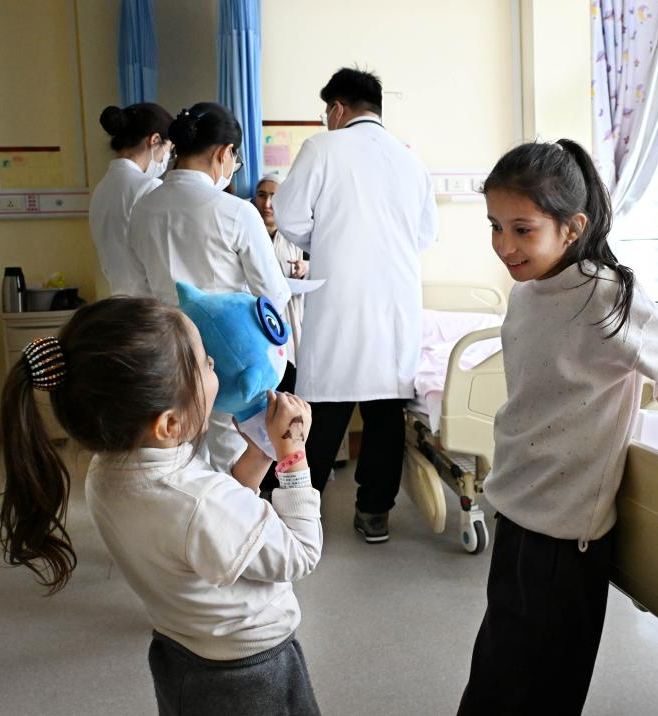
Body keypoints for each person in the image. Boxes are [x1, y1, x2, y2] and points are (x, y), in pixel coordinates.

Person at [456, 139, 658, 715]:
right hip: (515, 511)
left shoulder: (606, 298)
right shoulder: (526, 293)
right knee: (494, 676)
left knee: (538, 692)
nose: (504, 246)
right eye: (495, 227)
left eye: (522, 229)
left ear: (572, 228)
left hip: (565, 540)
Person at [0, 297, 321, 716]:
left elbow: (211, 530)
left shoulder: (107, 473)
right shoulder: (198, 501)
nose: (214, 366)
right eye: (204, 363)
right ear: (168, 423)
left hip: (181, 652)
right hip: (250, 670)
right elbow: (301, 552)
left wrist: (259, 455)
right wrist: (293, 453)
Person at [273, 67, 437, 543]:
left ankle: (302, 511)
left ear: (338, 108)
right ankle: (374, 513)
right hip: (396, 302)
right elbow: (425, 235)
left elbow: (288, 216)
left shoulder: (323, 148)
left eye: (327, 111)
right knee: (386, 410)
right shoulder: (411, 161)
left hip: (340, 300)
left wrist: (324, 242)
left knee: (324, 407)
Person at [128, 102, 291, 473]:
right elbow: (273, 295)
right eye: (235, 158)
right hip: (228, 358)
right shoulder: (235, 212)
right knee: (231, 459)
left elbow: (139, 290)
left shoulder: (143, 210)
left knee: (178, 457)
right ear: (223, 153)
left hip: (168, 352)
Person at [88, 103, 174, 295]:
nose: (167, 158)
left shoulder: (102, 188)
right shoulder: (149, 187)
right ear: (155, 140)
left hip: (119, 297)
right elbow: (163, 259)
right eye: (169, 150)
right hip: (149, 301)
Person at [252, 172, 308, 390]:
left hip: (290, 320)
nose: (267, 203)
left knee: (289, 383)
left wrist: (305, 267)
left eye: (274, 196)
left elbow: (319, 267)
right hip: (255, 318)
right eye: (261, 195)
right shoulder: (248, 232)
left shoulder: (297, 236)